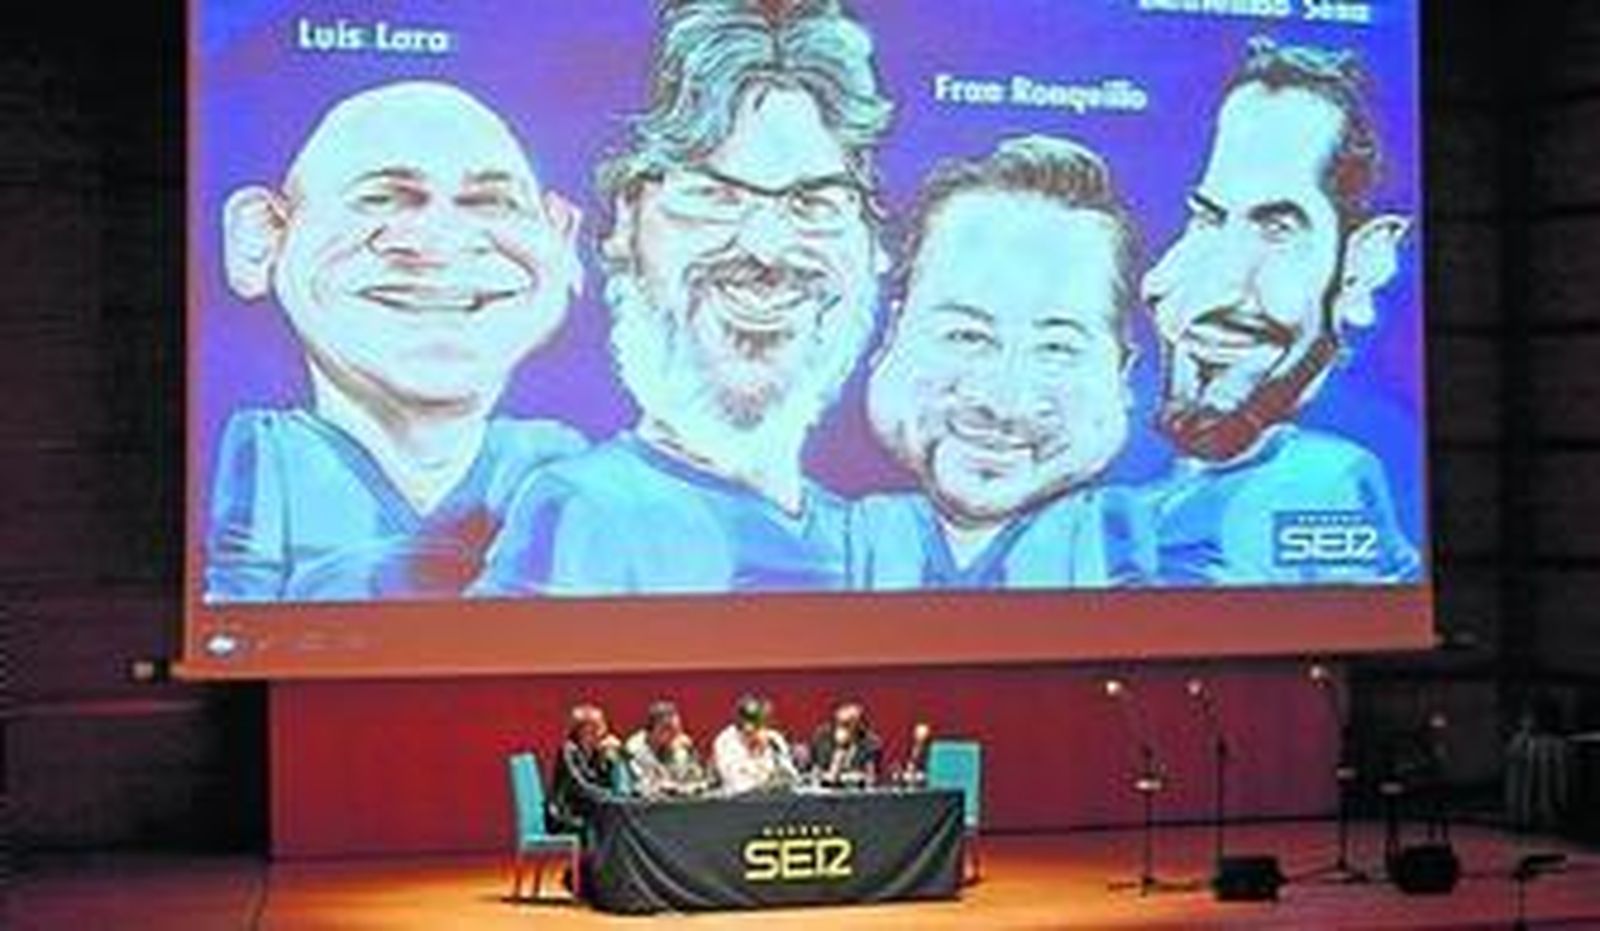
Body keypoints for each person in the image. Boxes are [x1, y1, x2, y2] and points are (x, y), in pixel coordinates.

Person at [471, 0, 893, 596]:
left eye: (814, 202)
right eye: (714, 194)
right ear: (624, 225)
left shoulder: (869, 538)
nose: (766, 248)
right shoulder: (585, 512)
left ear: (874, 244)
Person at [204, 80, 587, 602]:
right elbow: (237, 603)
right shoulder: (272, 453)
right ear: (262, 238)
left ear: (562, 242)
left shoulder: (555, 458)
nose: (439, 242)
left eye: (492, 201)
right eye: (380, 198)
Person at [1140, 37, 1421, 585]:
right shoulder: (1120, 480)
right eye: (1208, 218)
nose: (1209, 287)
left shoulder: (1335, 477)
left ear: (1364, 263)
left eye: (1277, 228)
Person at [856, 135, 1154, 589]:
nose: (1003, 402)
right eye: (966, 336)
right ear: (891, 335)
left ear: (1122, 373)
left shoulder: (1169, 544)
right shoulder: (813, 540)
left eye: (1056, 348)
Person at [547, 704, 620, 835]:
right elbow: (578, 786)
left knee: (620, 817)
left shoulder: (596, 752)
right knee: (614, 818)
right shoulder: (568, 750)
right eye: (599, 725)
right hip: (566, 814)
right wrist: (609, 797)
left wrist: (608, 760)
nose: (604, 730)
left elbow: (605, 782)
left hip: (589, 808)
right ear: (583, 729)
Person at [712, 694, 799, 794]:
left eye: (764, 723)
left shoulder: (774, 739)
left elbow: (792, 776)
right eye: (758, 724)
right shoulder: (725, 742)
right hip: (738, 804)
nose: (764, 729)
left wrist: (784, 777)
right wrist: (766, 784)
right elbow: (735, 783)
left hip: (773, 802)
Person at [623, 700, 710, 797]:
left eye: (679, 731)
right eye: (674, 732)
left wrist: (690, 752)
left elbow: (699, 782)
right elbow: (642, 787)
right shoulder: (635, 748)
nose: (679, 737)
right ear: (658, 730)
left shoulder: (680, 749)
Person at [807, 701, 882, 786]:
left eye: (846, 724)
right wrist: (840, 749)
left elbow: (870, 779)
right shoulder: (822, 739)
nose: (840, 729)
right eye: (837, 723)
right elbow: (816, 774)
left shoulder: (870, 743)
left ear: (858, 726)